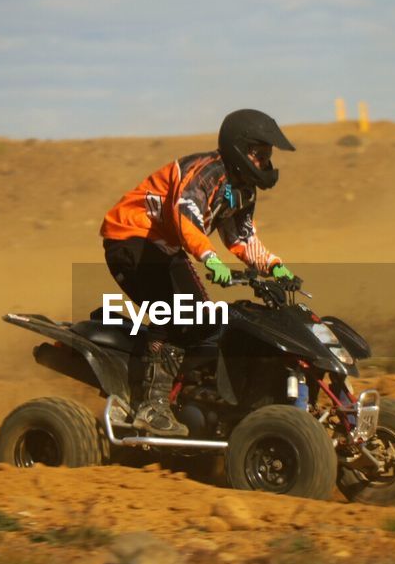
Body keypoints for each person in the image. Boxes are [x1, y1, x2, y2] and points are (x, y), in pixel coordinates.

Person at [99, 109, 299, 436]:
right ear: (239, 149)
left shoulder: (243, 190)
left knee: (204, 321)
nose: (265, 162)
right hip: (131, 238)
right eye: (259, 154)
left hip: (165, 247)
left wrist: (276, 267)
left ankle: (190, 397)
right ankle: (151, 406)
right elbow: (186, 217)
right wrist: (211, 259)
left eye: (268, 156)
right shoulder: (207, 173)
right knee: (175, 311)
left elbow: (241, 238)